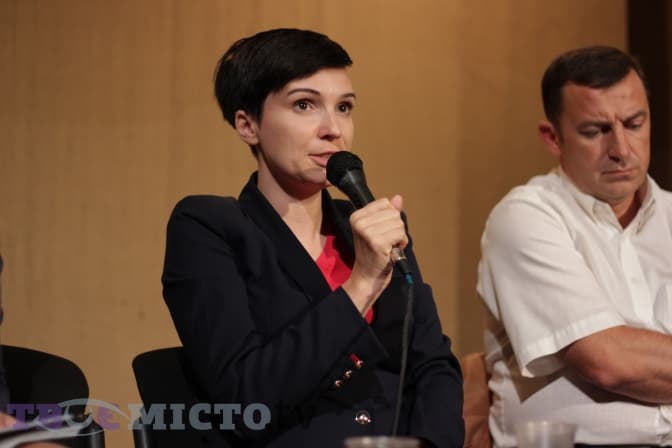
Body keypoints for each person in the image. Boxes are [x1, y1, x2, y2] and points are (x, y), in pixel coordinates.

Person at [162, 28, 464, 448]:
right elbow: (246, 397)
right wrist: (361, 284)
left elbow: (433, 366)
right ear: (248, 125)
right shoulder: (209, 227)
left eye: (344, 107)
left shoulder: (373, 227)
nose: (333, 129)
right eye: (304, 105)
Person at [477, 45, 672, 447]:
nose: (621, 149)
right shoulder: (526, 216)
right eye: (595, 131)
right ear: (553, 138)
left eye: (634, 123)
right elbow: (609, 361)